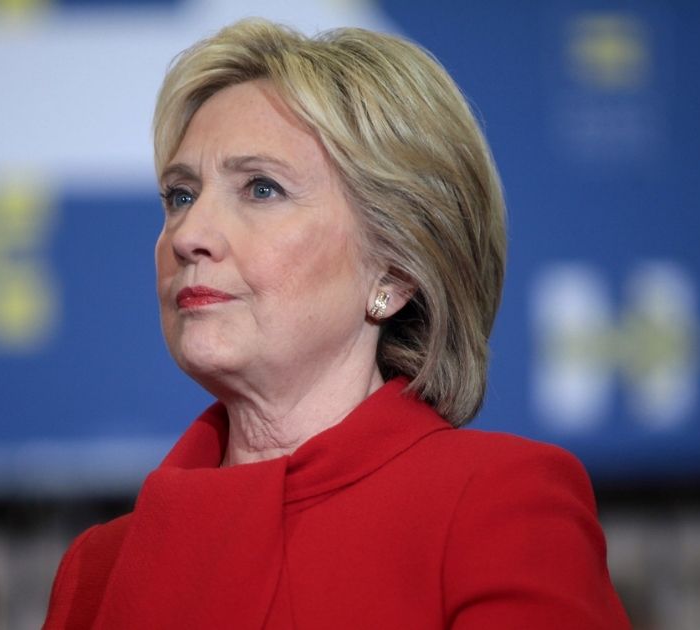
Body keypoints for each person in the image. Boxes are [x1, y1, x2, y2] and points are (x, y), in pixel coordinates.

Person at [43, 18, 630, 630]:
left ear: (395, 271)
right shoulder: (98, 570)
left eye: (261, 189)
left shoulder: (495, 505)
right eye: (180, 196)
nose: (188, 236)